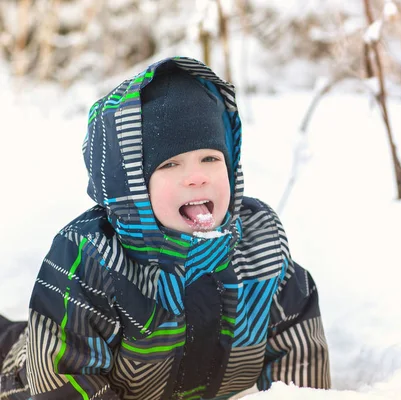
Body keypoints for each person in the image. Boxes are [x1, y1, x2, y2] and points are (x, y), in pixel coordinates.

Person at [0, 56, 330, 399]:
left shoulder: (261, 245)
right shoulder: (91, 258)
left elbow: (297, 342)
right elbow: (63, 375)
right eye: (171, 164)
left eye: (211, 158)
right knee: (12, 343)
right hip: (34, 377)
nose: (197, 176)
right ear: (131, 188)